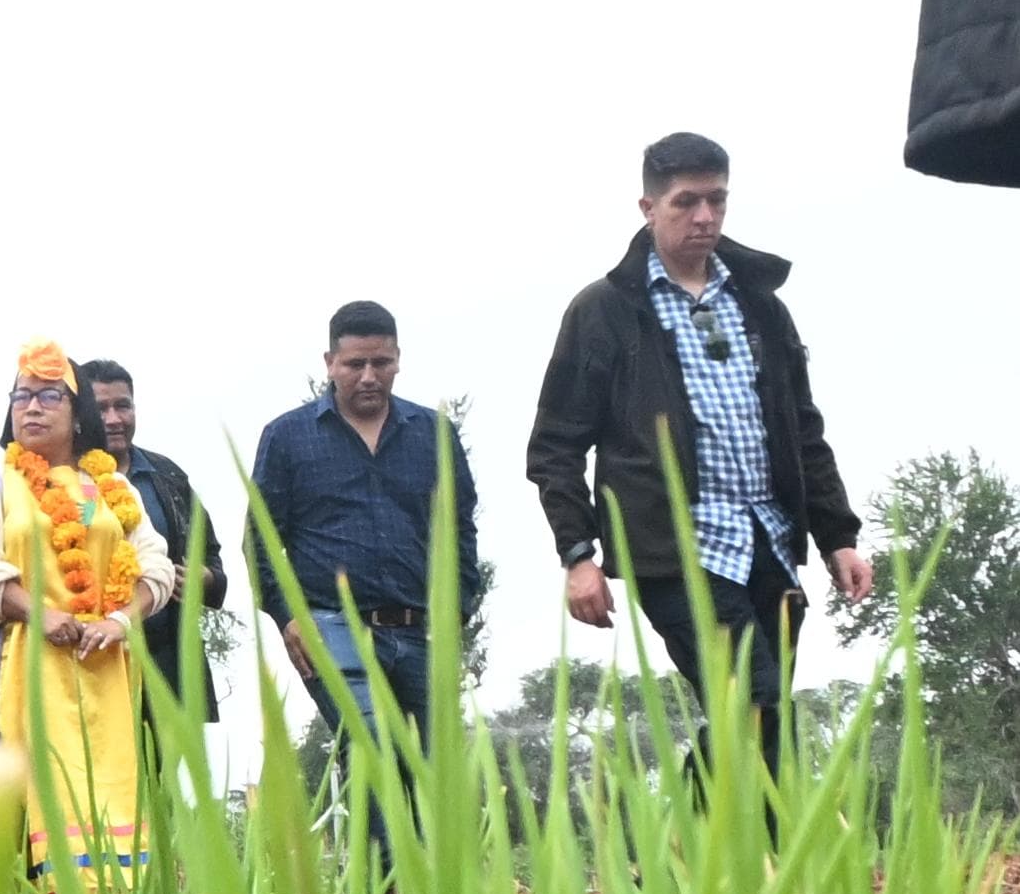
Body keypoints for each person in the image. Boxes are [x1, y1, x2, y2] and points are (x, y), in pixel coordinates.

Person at [529, 134, 869, 771]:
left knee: (755, 712)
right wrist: (578, 554)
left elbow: (802, 430)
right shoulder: (605, 311)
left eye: (717, 200)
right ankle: (767, 838)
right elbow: (555, 446)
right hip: (676, 546)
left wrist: (837, 537)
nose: (705, 217)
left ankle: (690, 829)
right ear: (649, 208)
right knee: (755, 700)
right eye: (686, 202)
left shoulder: (759, 305)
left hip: (767, 540)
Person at [0, 342, 178, 872]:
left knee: (108, 796)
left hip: (106, 670)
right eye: (21, 396)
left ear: (78, 416)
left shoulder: (111, 487)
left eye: (49, 396)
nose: (32, 407)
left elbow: (155, 567)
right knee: (29, 801)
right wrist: (38, 612)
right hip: (23, 667)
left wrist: (120, 621)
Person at [246, 301, 485, 760]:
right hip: (332, 625)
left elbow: (460, 530)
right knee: (371, 750)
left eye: (382, 363)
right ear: (330, 363)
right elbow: (259, 539)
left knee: (432, 767)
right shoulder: (287, 437)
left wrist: (458, 607)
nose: (370, 376)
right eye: (355, 364)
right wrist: (286, 616)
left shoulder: (434, 434)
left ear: (398, 360)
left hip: (420, 627)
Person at [80, 359, 227, 729]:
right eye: (101, 408)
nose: (114, 419)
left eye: (123, 406)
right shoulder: (65, 479)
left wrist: (204, 577)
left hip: (168, 657)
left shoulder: (167, 475)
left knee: (168, 764)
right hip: (94, 657)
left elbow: (211, 556)